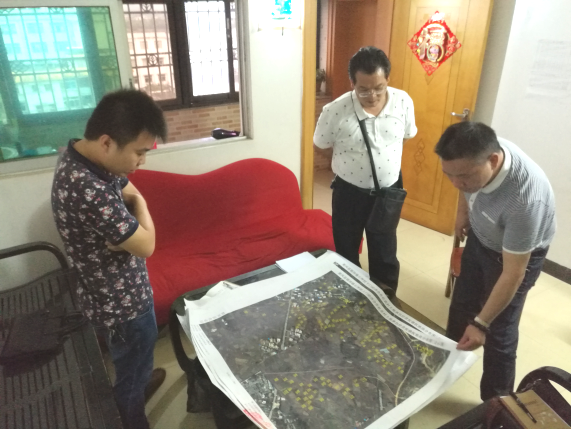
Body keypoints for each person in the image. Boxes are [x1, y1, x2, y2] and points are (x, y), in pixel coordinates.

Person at [51, 89, 168, 429]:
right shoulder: (88, 188)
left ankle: (138, 384)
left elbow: (127, 188)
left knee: (137, 360)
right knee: (131, 369)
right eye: (139, 152)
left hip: (109, 294)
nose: (142, 161)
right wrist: (141, 207)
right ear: (106, 142)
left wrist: (134, 208)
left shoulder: (80, 156)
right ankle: (131, 415)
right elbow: (147, 244)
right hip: (123, 307)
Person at [435, 121, 556, 401]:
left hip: (513, 257)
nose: (456, 183)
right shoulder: (474, 156)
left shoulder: (526, 200)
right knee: (462, 303)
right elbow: (462, 182)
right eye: (448, 175)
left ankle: (496, 404)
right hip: (481, 236)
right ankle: (446, 363)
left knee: (499, 332)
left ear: (493, 160)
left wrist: (481, 324)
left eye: (463, 177)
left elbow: (513, 273)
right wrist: (463, 212)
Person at [314, 46, 417, 291]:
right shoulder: (335, 110)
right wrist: (349, 162)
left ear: (387, 79)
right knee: (346, 250)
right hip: (349, 192)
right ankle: (352, 300)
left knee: (385, 252)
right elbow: (320, 145)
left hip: (388, 190)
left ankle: (385, 303)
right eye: (363, 89)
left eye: (379, 88)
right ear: (352, 83)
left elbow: (405, 136)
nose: (372, 96)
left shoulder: (403, 101)